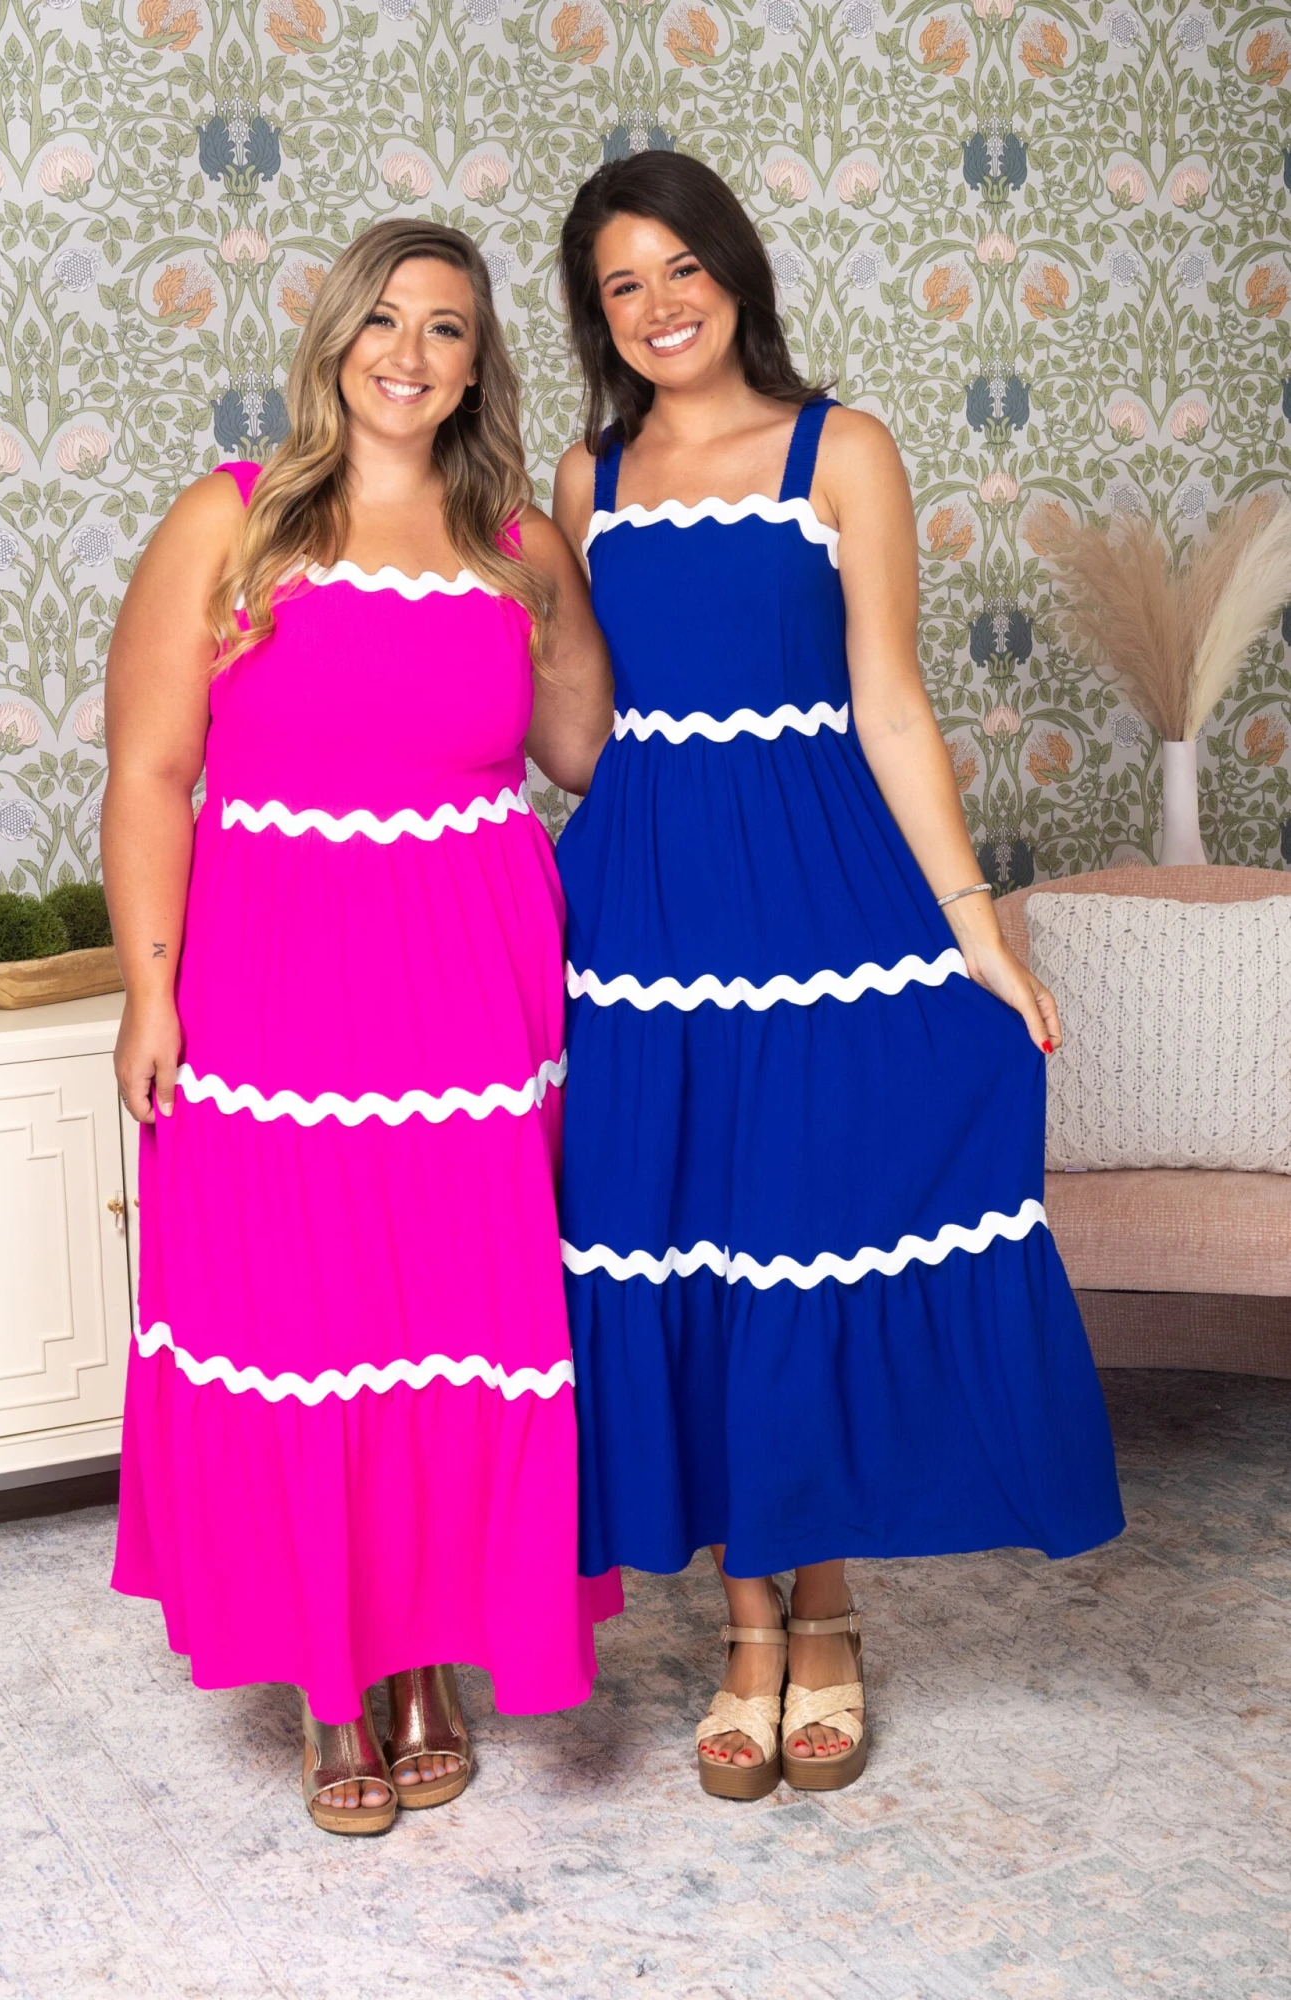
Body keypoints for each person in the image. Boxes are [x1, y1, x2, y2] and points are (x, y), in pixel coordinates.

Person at [550, 153, 1124, 1799]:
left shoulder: (840, 448)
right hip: (648, 916)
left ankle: (826, 1613)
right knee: (690, 1242)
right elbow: (584, 732)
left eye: (681, 268)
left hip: (822, 896)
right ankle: (748, 1632)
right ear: (598, 317)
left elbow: (891, 697)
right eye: (622, 286)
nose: (660, 306)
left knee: (806, 1233)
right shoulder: (587, 480)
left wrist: (972, 918)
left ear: (736, 271)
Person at [102, 218, 619, 1836]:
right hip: (269, 991)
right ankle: (333, 1684)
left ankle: (427, 1661)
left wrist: (662, 573)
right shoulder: (233, 519)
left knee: (458, 1327)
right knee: (300, 1330)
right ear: (335, 339)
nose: (409, 352)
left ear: (478, 365)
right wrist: (148, 989)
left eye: (446, 327)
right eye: (384, 319)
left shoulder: (520, 544)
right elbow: (150, 773)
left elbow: (594, 754)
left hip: (473, 998)